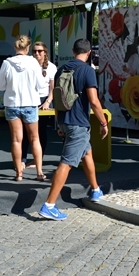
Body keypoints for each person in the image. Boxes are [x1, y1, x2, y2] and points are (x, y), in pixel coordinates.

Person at [38, 38, 109, 221]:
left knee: (87, 154)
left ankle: (95, 190)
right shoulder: (87, 70)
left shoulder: (62, 69)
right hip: (78, 122)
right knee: (67, 162)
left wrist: (59, 123)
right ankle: (49, 205)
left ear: (73, 50)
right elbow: (93, 101)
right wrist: (103, 122)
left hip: (64, 120)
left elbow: (56, 97)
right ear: (89, 53)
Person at [0, 35, 47, 182]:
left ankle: (18, 173)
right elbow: (41, 86)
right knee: (35, 139)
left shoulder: (7, 63)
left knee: (16, 140)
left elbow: (0, 86)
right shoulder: (34, 63)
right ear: (27, 48)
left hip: (12, 103)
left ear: (15, 47)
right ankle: (39, 172)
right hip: (30, 103)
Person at [22, 42, 57, 168]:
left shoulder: (51, 67)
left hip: (44, 100)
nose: (37, 53)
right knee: (26, 131)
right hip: (29, 100)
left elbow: (53, 88)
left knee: (41, 131)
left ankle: (38, 159)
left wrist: (47, 102)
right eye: (34, 51)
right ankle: (22, 159)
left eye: (40, 51)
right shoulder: (28, 65)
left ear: (45, 52)